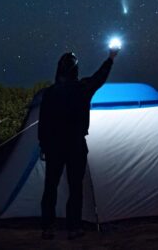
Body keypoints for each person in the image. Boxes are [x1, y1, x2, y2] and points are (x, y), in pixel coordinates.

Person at [38, 48, 118, 240]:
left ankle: (48, 227)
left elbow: (44, 121)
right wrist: (110, 59)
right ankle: (73, 227)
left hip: (54, 146)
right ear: (75, 70)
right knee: (75, 187)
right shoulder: (82, 88)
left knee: (51, 186)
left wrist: (43, 145)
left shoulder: (50, 93)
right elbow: (99, 77)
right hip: (75, 144)